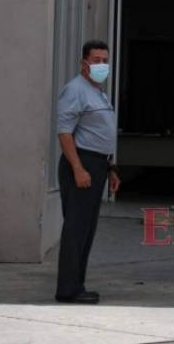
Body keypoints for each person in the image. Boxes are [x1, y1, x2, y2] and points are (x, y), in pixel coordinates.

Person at [55, 40, 121, 304]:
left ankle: (77, 284)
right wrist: (78, 168)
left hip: (98, 164)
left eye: (105, 60)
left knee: (86, 229)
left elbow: (99, 134)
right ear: (84, 63)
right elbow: (65, 133)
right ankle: (67, 289)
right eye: (96, 60)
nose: (101, 65)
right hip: (81, 164)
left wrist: (111, 167)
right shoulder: (75, 90)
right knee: (76, 228)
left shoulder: (98, 92)